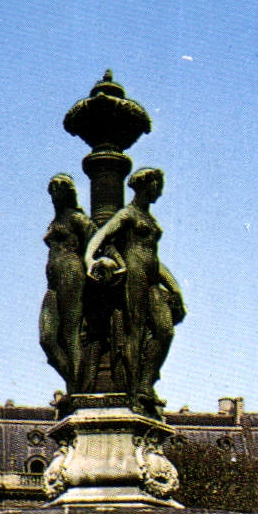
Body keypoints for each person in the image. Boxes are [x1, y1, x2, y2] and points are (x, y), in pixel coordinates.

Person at [82, 166, 185, 411]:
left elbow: (155, 260)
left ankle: (146, 381)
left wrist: (175, 289)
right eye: (156, 185)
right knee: (135, 333)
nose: (159, 191)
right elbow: (101, 236)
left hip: (151, 279)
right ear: (144, 185)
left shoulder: (149, 219)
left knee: (165, 331)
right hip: (134, 278)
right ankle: (135, 389)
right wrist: (89, 260)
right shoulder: (127, 214)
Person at [39, 174, 93, 394]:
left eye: (59, 191)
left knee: (71, 334)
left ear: (69, 193)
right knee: (47, 338)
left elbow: (94, 241)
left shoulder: (76, 218)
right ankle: (74, 381)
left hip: (72, 274)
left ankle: (78, 389)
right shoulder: (56, 221)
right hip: (53, 282)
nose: (54, 196)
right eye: (52, 191)